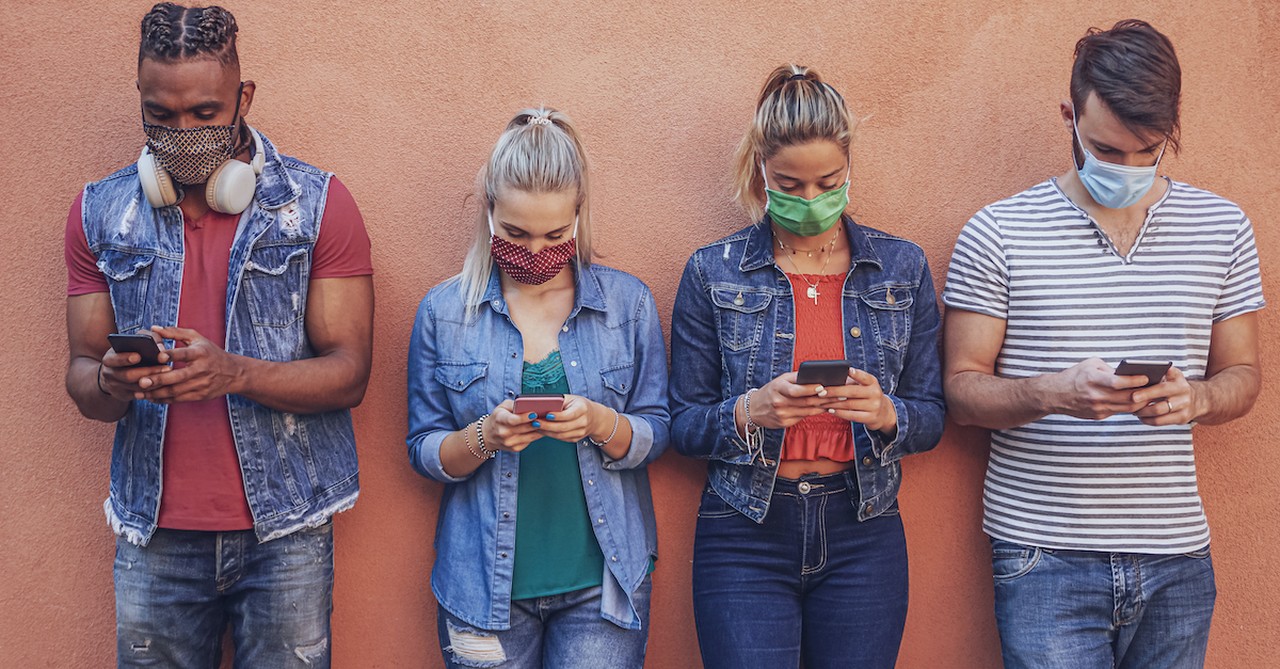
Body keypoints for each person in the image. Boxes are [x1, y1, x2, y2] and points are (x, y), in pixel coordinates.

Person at [942, 19, 1264, 669]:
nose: (1128, 169)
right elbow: (960, 391)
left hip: (1177, 556)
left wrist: (1195, 396)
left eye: (1148, 152)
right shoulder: (997, 232)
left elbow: (1245, 375)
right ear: (1069, 114)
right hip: (1043, 556)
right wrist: (1052, 392)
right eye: (1106, 150)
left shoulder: (1223, 228)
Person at [62, 4, 374, 667]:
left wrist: (234, 373)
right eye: (162, 114)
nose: (182, 132)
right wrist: (112, 382)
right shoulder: (99, 214)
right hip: (155, 538)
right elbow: (83, 375)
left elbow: (350, 372)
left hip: (286, 530)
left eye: (205, 114)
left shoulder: (316, 208)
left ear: (244, 98)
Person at [668, 64, 945, 669]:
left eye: (828, 181)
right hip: (745, 526)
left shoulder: (902, 267)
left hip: (863, 526)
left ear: (850, 168)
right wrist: (750, 411)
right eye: (789, 185)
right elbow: (682, 425)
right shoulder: (711, 272)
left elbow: (933, 415)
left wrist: (886, 413)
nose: (811, 200)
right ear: (761, 172)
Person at [406, 108, 669, 669]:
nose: (533, 252)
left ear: (579, 214)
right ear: (489, 213)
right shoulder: (444, 312)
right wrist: (486, 436)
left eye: (554, 234)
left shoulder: (627, 305)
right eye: (515, 233)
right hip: (482, 590)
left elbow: (657, 430)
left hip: (603, 586)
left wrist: (601, 423)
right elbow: (425, 449)